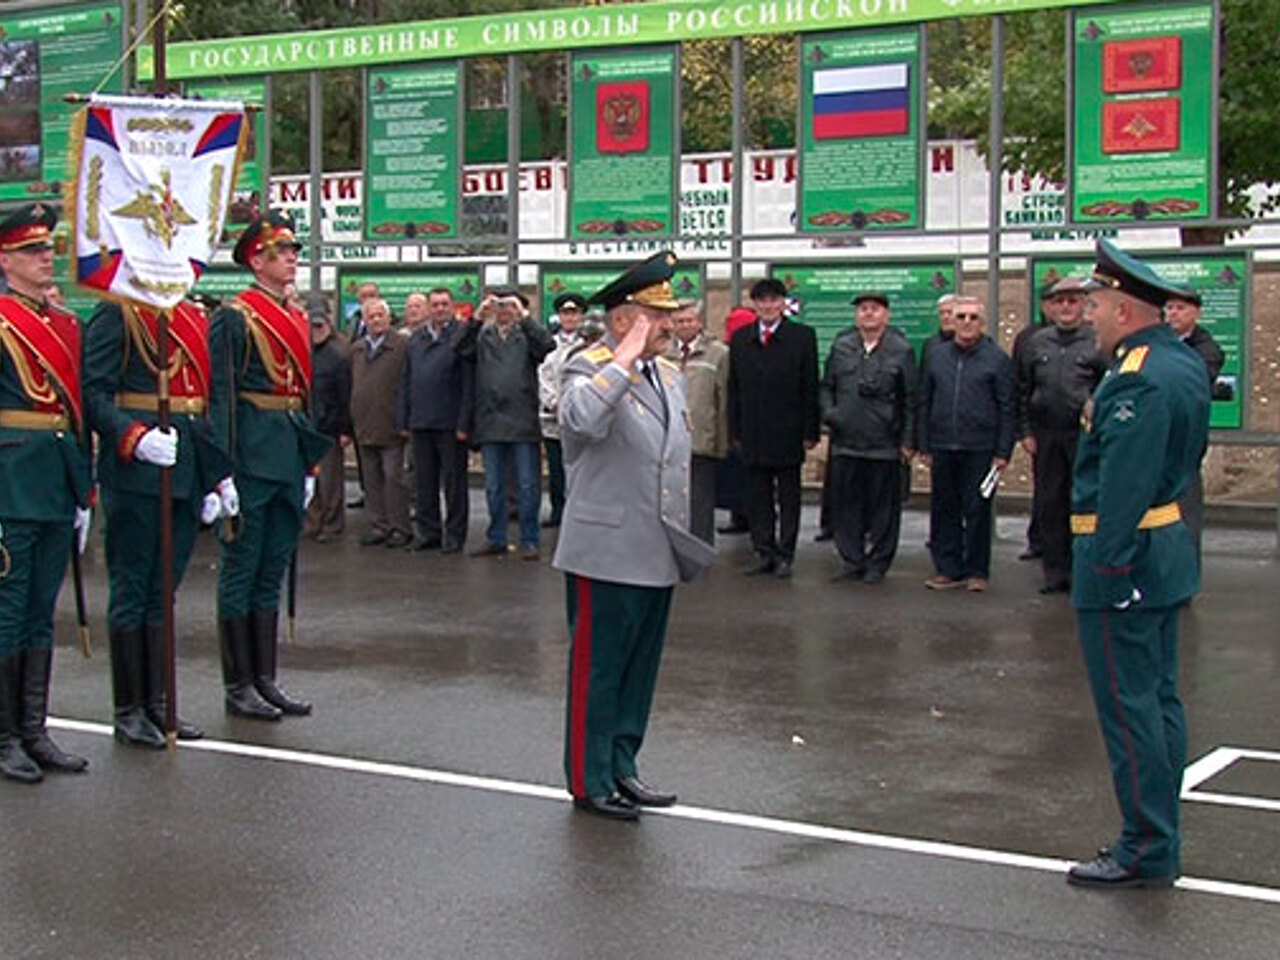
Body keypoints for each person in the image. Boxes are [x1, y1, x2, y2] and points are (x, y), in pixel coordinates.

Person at [1066, 239, 1210, 889]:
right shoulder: (1177, 363)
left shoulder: (1139, 378)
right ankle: (1159, 832)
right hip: (1163, 551)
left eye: (1095, 304)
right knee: (1159, 702)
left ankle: (1145, 846)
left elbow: (1123, 485)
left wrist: (1110, 570)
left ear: (1123, 310)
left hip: (1126, 560)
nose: (1088, 315)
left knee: (1130, 710)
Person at [553, 251, 715, 820]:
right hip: (606, 551)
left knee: (639, 670)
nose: (670, 324)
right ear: (624, 319)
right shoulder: (588, 367)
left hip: (657, 547)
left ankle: (623, 766)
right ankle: (588, 778)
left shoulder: (667, 373)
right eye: (657, 315)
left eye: (670, 315)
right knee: (599, 670)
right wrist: (620, 357)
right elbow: (579, 422)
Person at [84, 291, 236, 747]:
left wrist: (215, 476)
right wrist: (133, 435)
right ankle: (129, 709)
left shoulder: (189, 315)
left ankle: (158, 703)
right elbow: (93, 392)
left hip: (186, 466)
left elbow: (200, 406)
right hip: (139, 466)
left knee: (162, 591)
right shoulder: (119, 312)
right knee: (133, 588)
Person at [209, 211, 332, 721]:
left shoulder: (293, 316)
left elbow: (302, 395)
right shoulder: (236, 316)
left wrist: (307, 465)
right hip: (251, 455)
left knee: (272, 570)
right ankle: (238, 683)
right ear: (256, 259)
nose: (291, 260)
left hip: (285, 453)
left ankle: (265, 678)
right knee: (242, 567)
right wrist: (223, 470)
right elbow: (223, 398)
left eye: (294, 252)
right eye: (281, 252)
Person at [0, 204, 91, 783]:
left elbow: (71, 412)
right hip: (9, 482)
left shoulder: (64, 324)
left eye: (48, 248)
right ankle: (4, 736)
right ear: (4, 259)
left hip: (54, 478)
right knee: (7, 616)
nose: (45, 257)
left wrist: (83, 486)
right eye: (31, 251)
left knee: (40, 614)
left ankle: (34, 729)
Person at [918, 296, 1015, 592]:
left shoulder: (997, 359)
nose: (967, 323)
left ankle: (977, 571)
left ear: (983, 323)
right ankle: (948, 569)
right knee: (943, 508)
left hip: (981, 446)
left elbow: (1007, 406)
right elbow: (924, 401)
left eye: (973, 317)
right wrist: (924, 443)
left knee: (977, 510)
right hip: (943, 444)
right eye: (961, 317)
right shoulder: (936, 356)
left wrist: (1003, 450)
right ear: (950, 321)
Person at [820, 292, 917, 584]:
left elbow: (911, 399)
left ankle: (878, 563)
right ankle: (852, 560)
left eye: (875, 309)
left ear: (886, 315)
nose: (868, 314)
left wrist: (908, 440)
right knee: (846, 506)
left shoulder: (901, 350)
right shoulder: (842, 347)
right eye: (863, 309)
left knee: (883, 510)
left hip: (883, 444)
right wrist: (831, 414)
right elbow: (826, 387)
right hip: (846, 442)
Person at [1016, 279, 1106, 594]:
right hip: (1046, 433)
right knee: (1049, 502)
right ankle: (1054, 572)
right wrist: (1025, 431)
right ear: (1051, 307)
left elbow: (1107, 387)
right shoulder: (1036, 342)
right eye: (1060, 302)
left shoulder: (1097, 341)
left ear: (1083, 305)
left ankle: (1084, 570)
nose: (1066, 307)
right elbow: (1023, 389)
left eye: (1072, 301)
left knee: (1083, 501)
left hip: (1083, 433)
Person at [454, 285, 554, 561]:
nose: (503, 311)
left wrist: (524, 317)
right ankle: (496, 537)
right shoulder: (483, 336)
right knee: (494, 485)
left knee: (527, 485)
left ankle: (529, 538)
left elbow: (547, 345)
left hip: (522, 421)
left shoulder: (526, 336)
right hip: (490, 420)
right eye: (499, 306)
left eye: (509, 306)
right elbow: (459, 348)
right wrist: (475, 318)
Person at [728, 278, 819, 579]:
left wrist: (810, 430)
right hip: (753, 431)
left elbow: (810, 387)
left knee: (789, 496)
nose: (768, 306)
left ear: (783, 304)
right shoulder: (741, 339)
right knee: (757, 497)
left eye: (773, 300)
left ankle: (785, 553)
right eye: (762, 301)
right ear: (755, 305)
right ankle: (763, 550)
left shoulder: (802, 337)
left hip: (788, 431)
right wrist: (735, 430)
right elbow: (734, 388)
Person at [399, 287, 473, 553]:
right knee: (423, 481)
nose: (440, 309)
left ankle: (454, 535)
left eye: (444, 304)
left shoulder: (460, 337)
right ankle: (428, 532)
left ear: (452, 306)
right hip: (421, 421)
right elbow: (406, 381)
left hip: (450, 423)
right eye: (435, 304)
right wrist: (404, 420)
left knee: (454, 484)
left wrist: (465, 423)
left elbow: (468, 383)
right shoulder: (417, 339)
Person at [1164, 289, 1223, 556]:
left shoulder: (1207, 349)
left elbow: (1190, 382)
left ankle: (1185, 571)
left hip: (1184, 439)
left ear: (1196, 313)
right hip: (1155, 436)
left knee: (1185, 508)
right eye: (1169, 308)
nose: (1173, 313)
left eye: (1180, 308)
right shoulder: (1159, 341)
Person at [349, 296, 411, 549]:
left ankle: (400, 527)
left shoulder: (403, 346)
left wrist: (406, 420)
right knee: (371, 481)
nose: (375, 320)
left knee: (394, 479)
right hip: (364, 424)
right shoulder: (357, 349)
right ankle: (378, 525)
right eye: (370, 316)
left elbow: (408, 385)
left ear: (389, 317)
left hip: (392, 425)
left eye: (380, 315)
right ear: (364, 320)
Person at [668, 300, 730, 545]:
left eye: (689, 320)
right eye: (679, 321)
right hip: (668, 439)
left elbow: (723, 398)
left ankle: (700, 546)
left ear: (699, 322)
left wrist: (722, 442)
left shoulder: (719, 353)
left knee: (700, 500)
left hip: (701, 439)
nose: (684, 326)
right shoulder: (663, 352)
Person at [1013, 283, 1058, 562]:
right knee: (1045, 488)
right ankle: (1039, 541)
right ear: (1043, 305)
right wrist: (1024, 429)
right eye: (1053, 301)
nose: (1060, 307)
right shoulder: (1029, 338)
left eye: (1068, 301)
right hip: (1041, 426)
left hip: (1076, 428)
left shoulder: (1088, 337)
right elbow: (1019, 384)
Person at [304, 294, 352, 544]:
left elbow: (346, 395)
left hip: (329, 427)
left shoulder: (338, 354)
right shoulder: (303, 351)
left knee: (330, 480)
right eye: (311, 325)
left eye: (320, 325)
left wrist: (346, 429)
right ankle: (313, 522)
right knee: (310, 478)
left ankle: (333, 524)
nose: (316, 331)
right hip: (308, 425)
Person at [538, 292, 587, 529]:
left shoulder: (589, 345)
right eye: (565, 313)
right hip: (553, 418)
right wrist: (553, 401)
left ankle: (578, 511)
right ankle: (558, 511)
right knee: (556, 470)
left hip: (579, 416)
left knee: (579, 468)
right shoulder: (549, 343)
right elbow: (542, 375)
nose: (570, 318)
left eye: (574, 313)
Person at [715, 305, 757, 535]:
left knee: (740, 476)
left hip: (735, 422)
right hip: (742, 422)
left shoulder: (726, 352)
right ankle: (744, 516)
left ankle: (743, 516)